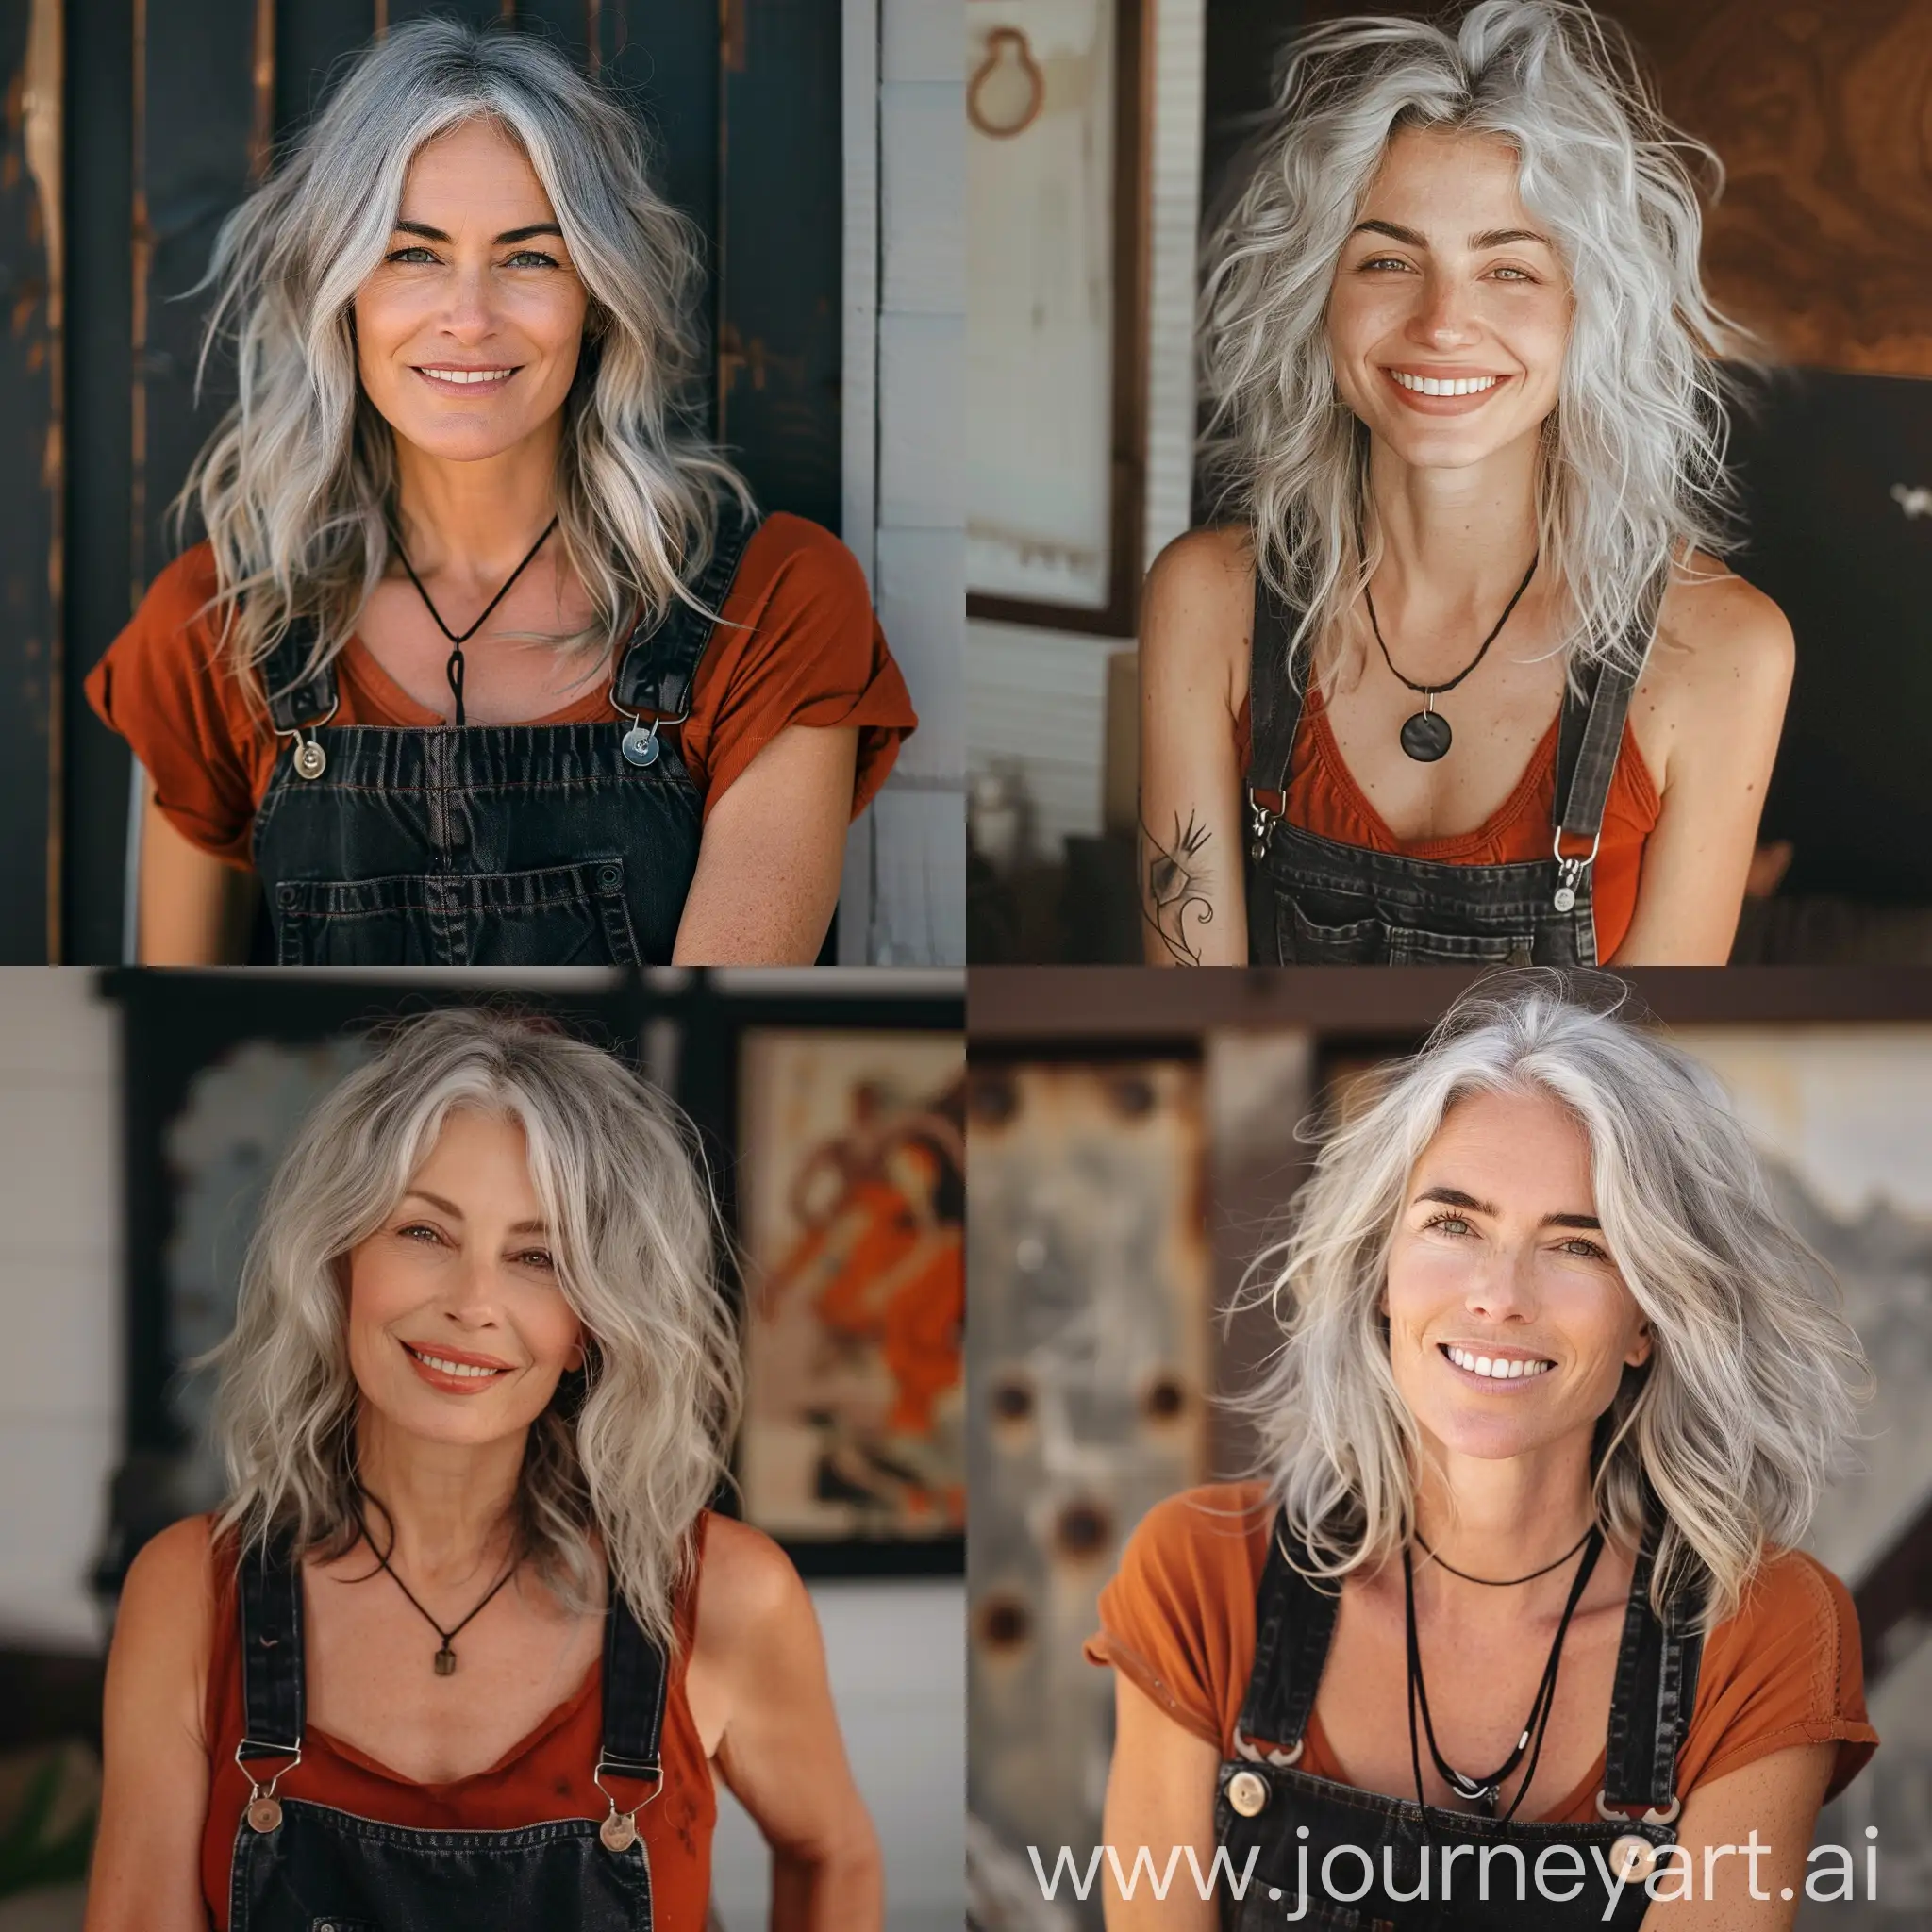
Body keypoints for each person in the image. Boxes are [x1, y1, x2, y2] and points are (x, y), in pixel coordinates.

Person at [87, 21, 915, 966]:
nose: (470, 318)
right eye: (413, 254)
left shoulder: (773, 604)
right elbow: (177, 1036)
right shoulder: (212, 629)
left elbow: (703, 1061)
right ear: (341, 291)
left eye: (529, 256)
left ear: (596, 297)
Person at [1090, 977, 1876, 1927]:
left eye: (1577, 1244)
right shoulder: (1202, 1574)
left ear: (1647, 1319)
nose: (1497, 1294)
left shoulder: (1760, 1628)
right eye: (1451, 1224)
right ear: (1379, 1270)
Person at [85, 1007, 883, 1932]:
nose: (473, 1303)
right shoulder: (190, 1591)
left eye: (537, 1256)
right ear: (342, 1262)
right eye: (424, 1232)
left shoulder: (726, 1593)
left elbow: (835, 1852)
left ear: (588, 1325)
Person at [1138, 0, 1790, 967]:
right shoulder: (1207, 597)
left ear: (1587, 311)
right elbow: (1181, 1018)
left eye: (1509, 271)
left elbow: (1647, 1071)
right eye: (1388, 259)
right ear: (1317, 297)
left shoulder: (1719, 651)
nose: (1442, 321)